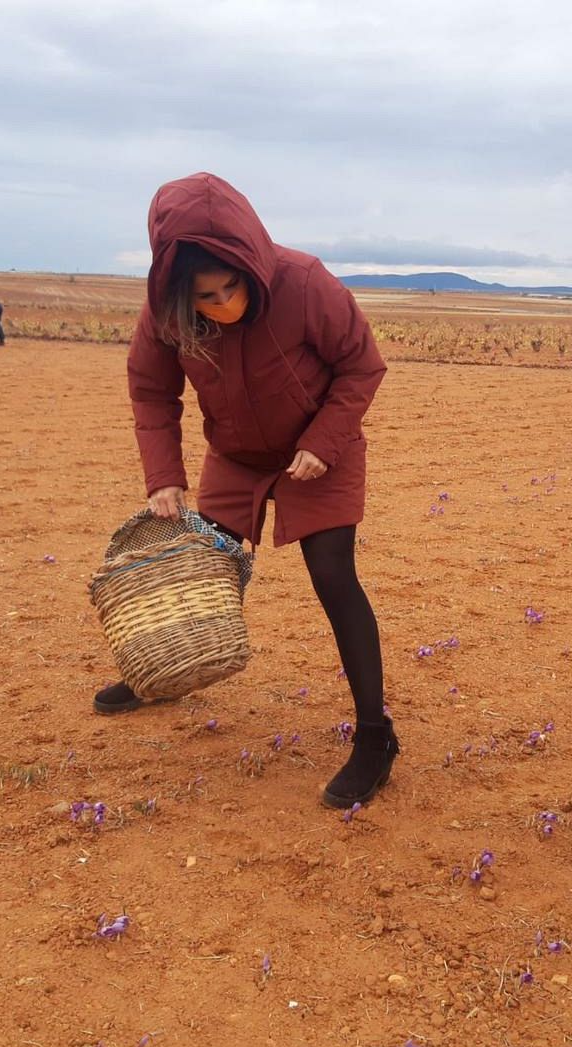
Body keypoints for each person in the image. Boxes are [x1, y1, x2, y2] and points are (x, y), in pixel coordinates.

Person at [97, 172, 393, 809]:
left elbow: (361, 365)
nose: (223, 303)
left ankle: (375, 736)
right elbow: (152, 392)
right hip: (235, 453)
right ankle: (162, 674)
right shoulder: (164, 313)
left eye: (231, 287)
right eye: (205, 296)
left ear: (249, 263)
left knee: (334, 577)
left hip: (319, 449)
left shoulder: (305, 282)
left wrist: (324, 440)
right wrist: (165, 478)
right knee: (199, 565)